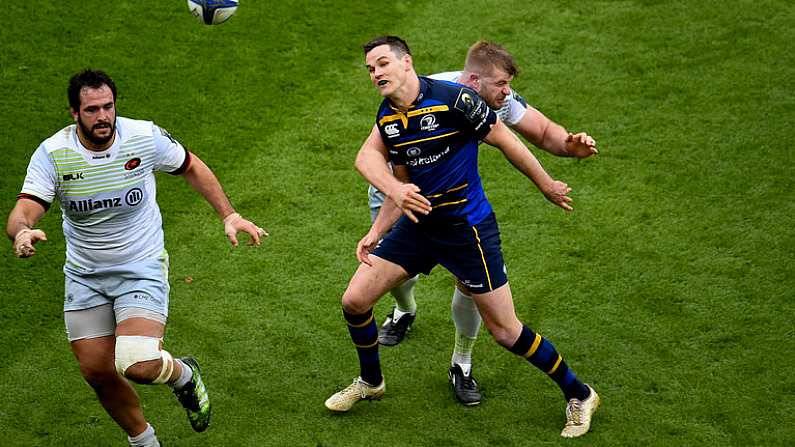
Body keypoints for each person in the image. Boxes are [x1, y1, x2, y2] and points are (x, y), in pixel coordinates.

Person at [325, 36, 599, 438]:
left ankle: (580, 393)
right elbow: (402, 187)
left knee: (505, 332)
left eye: (383, 63)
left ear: (407, 63)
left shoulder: (455, 100)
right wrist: (376, 231)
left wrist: (546, 184)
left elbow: (507, 140)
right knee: (354, 300)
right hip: (419, 227)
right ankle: (371, 382)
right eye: (370, 68)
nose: (376, 73)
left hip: (467, 230)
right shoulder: (388, 118)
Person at [6, 69, 266, 447]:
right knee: (96, 370)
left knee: (138, 364)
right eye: (92, 109)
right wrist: (22, 231)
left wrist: (230, 215)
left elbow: (190, 166)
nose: (102, 117)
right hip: (85, 275)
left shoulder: (143, 137)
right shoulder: (54, 153)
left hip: (140, 268)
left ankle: (183, 376)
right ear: (74, 114)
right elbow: (23, 209)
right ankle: (145, 442)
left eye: (108, 107)